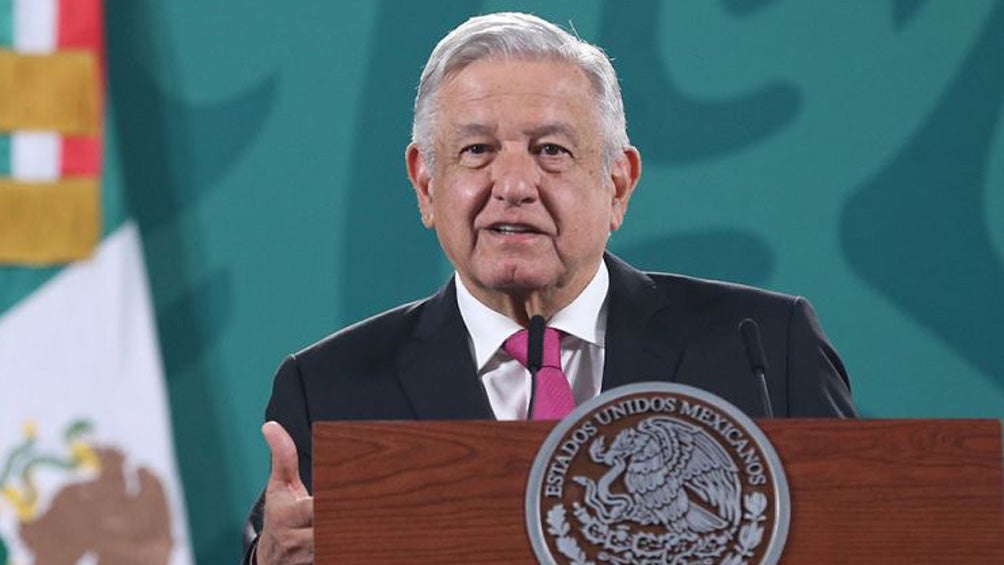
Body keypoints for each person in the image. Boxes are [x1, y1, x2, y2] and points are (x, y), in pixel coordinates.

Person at [242, 12, 856, 564]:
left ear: (618, 185)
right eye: (477, 150)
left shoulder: (765, 351)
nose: (513, 185)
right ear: (426, 184)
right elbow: (281, 548)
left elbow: (871, 532)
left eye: (552, 151)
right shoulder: (329, 388)